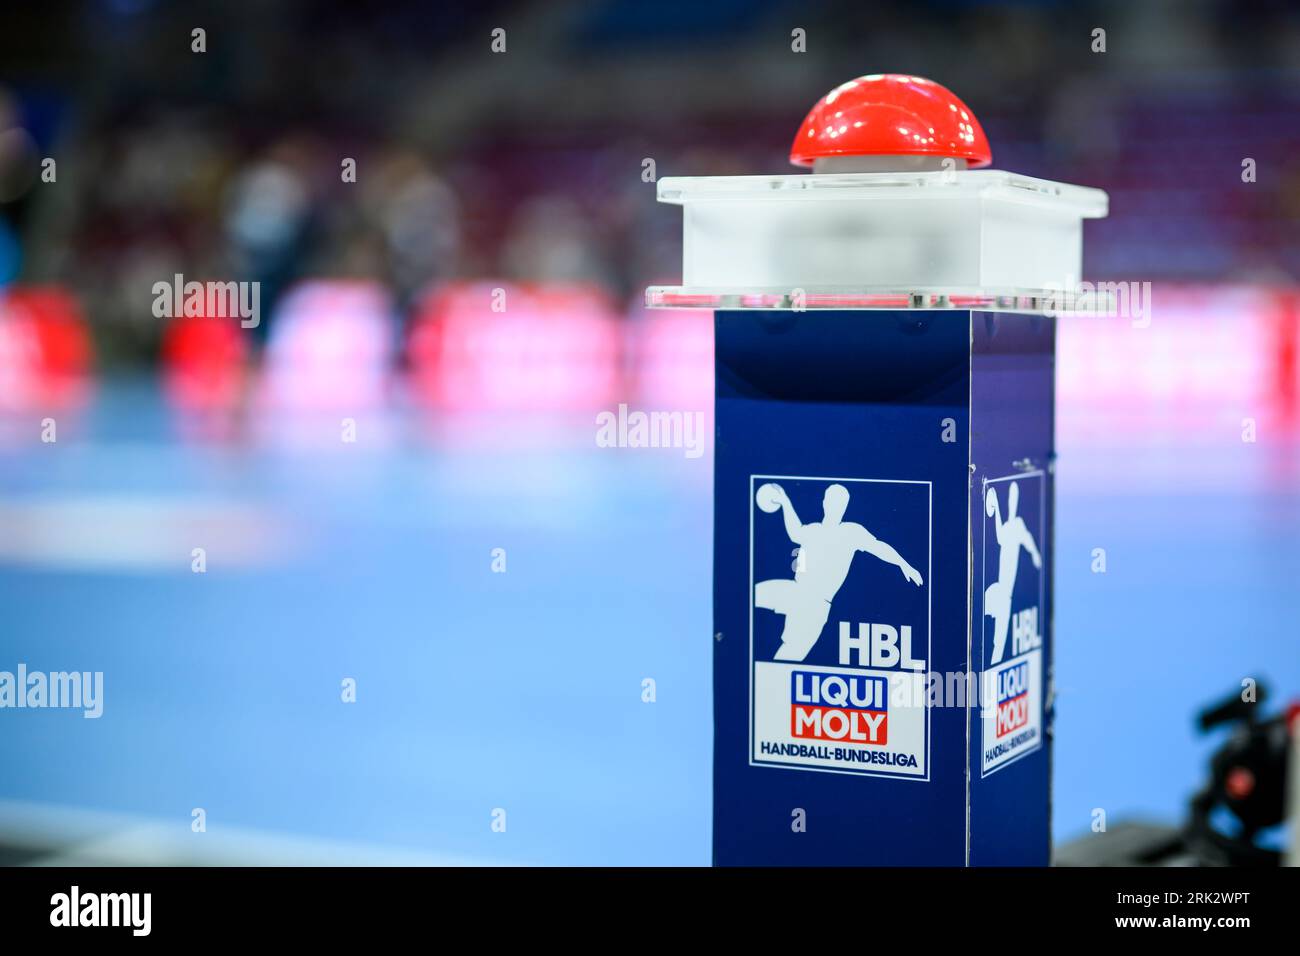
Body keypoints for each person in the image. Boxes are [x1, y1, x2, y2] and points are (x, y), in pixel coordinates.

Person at [755, 483, 922, 662]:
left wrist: (903, 564)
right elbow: (795, 532)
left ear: (845, 506)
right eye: (834, 501)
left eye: (841, 503)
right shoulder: (814, 530)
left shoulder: (851, 532)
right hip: (797, 591)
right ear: (825, 502)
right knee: (751, 595)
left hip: (816, 606)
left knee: (786, 660)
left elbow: (878, 547)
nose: (837, 506)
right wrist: (785, 502)